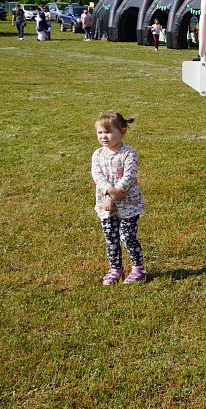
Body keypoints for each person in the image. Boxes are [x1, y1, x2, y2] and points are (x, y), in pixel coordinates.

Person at [92, 113, 147, 285]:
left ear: (122, 132)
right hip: (106, 206)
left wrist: (117, 192)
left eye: (108, 132)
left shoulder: (129, 154)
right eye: (100, 133)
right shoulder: (98, 154)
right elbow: (97, 175)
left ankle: (138, 269)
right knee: (111, 238)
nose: (103, 136)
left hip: (129, 204)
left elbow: (129, 175)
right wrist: (109, 192)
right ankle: (116, 268)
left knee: (127, 236)